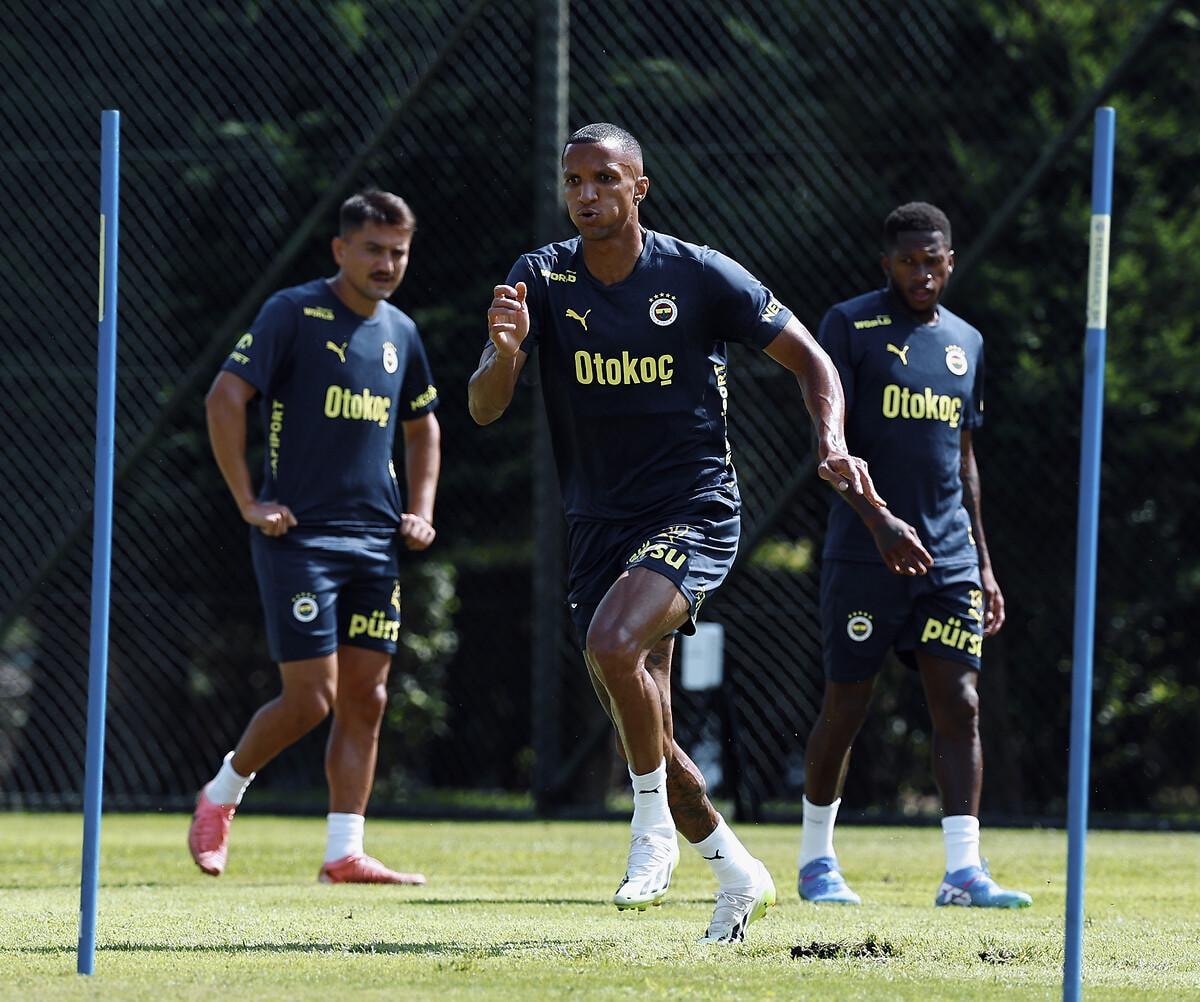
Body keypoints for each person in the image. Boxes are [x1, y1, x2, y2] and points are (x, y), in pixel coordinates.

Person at [468, 122, 882, 943]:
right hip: (597, 523)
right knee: (645, 719)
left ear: (640, 187)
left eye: (604, 178)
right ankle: (737, 873)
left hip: (693, 507)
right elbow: (484, 407)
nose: (587, 194)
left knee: (613, 644)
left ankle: (649, 828)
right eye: (574, 180)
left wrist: (831, 440)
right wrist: (506, 353)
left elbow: (813, 359)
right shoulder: (540, 277)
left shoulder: (696, 273)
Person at [190, 189, 441, 884]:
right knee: (310, 699)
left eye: (398, 252)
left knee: (369, 698)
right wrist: (249, 501)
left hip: (375, 543)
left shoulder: (401, 332)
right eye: (373, 249)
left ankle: (344, 852)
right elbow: (224, 397)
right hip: (300, 538)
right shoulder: (293, 312)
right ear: (340, 249)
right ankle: (220, 795)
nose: (387, 263)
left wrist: (420, 509)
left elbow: (424, 426)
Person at [797, 201, 1030, 909]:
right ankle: (816, 861)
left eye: (933, 262)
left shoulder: (967, 341)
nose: (921, 274)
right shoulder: (849, 326)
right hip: (866, 553)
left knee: (960, 703)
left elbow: (963, 457)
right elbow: (830, 450)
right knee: (847, 705)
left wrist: (983, 562)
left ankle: (963, 873)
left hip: (949, 558)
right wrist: (880, 523)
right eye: (908, 262)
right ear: (887, 264)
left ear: (950, 262)